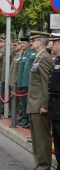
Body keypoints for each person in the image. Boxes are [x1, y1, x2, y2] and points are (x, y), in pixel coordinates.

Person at [26, 31, 53, 170]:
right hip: (33, 103)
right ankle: (39, 164)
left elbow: (45, 84)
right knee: (36, 138)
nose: (31, 42)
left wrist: (44, 105)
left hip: (39, 105)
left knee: (42, 138)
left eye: (33, 40)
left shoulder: (45, 58)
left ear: (41, 42)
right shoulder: (38, 58)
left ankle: (44, 166)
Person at [47, 33, 60, 170]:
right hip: (55, 106)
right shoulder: (57, 60)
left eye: (54, 43)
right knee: (56, 140)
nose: (52, 45)